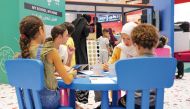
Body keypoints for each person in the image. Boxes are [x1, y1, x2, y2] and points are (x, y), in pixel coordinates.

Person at [19, 15, 77, 109]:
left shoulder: (20, 55)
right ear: (41, 30)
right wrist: (73, 74)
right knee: (71, 104)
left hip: (27, 101)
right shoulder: (51, 51)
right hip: (48, 102)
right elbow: (67, 80)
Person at [118, 24, 159, 109]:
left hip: (135, 104)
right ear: (156, 43)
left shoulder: (130, 63)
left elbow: (123, 85)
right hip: (155, 104)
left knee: (119, 101)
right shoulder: (163, 63)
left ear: (136, 45)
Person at [72, 14, 91, 104]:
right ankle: (83, 97)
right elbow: (87, 32)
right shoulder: (85, 24)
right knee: (84, 68)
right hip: (81, 48)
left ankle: (76, 95)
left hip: (73, 48)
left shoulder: (75, 22)